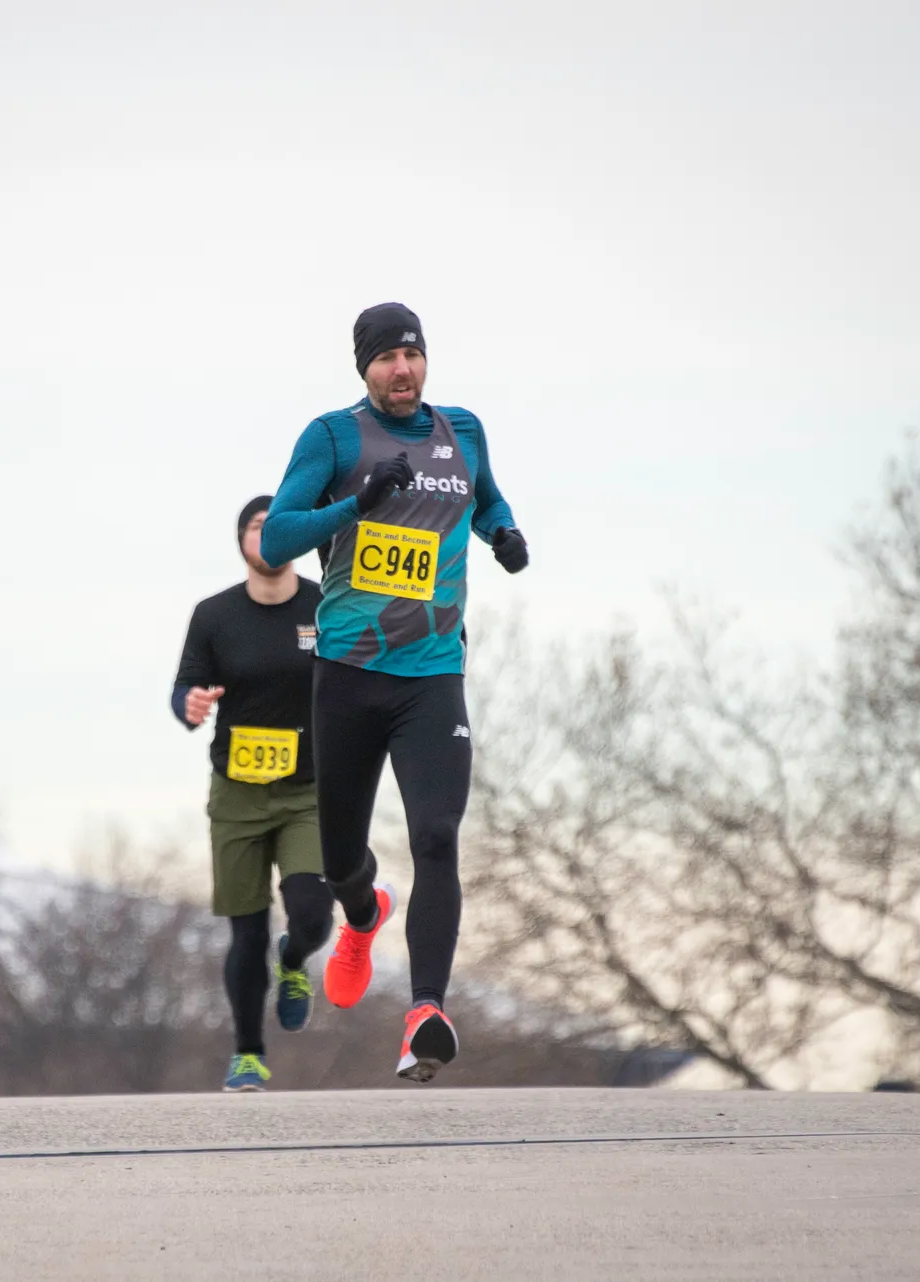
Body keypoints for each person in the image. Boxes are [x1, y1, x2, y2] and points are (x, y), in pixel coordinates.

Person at [260, 303, 527, 1082]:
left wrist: (503, 534)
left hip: (433, 677)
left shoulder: (462, 431)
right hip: (347, 674)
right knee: (341, 857)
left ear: (425, 360)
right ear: (363, 370)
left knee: (438, 836)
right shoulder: (333, 437)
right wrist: (357, 502)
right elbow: (277, 538)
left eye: (411, 355)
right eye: (386, 360)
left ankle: (425, 1013)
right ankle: (364, 913)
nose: (401, 370)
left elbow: (486, 499)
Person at [172, 496, 340, 1092]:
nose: (266, 537)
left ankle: (293, 961)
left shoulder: (326, 603)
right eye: (255, 528)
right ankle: (247, 1053)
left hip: (308, 791)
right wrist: (190, 707)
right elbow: (186, 686)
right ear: (240, 542)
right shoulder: (214, 614)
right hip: (238, 793)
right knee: (245, 931)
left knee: (313, 916)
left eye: (278, 528)